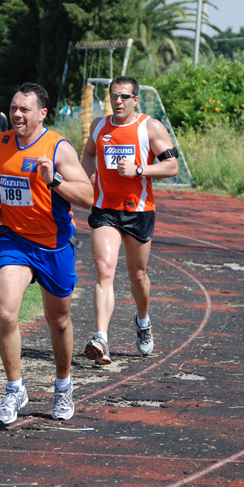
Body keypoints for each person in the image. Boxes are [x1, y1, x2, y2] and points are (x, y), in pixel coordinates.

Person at [0, 82, 93, 425]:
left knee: (58, 321)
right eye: (13, 108)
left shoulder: (58, 148)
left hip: (54, 244)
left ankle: (63, 386)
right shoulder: (1, 143)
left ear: (42, 114)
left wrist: (53, 179)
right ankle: (15, 389)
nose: (16, 114)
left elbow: (87, 197)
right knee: (5, 313)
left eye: (24, 109)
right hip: (13, 240)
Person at [81, 75, 179, 365]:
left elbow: (172, 166)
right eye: (113, 96)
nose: (118, 101)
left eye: (124, 96)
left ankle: (143, 320)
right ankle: (101, 338)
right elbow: (87, 155)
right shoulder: (99, 126)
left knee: (138, 276)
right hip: (105, 209)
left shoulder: (150, 127)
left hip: (139, 211)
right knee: (104, 270)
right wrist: (83, 182)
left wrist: (139, 170)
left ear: (136, 99)